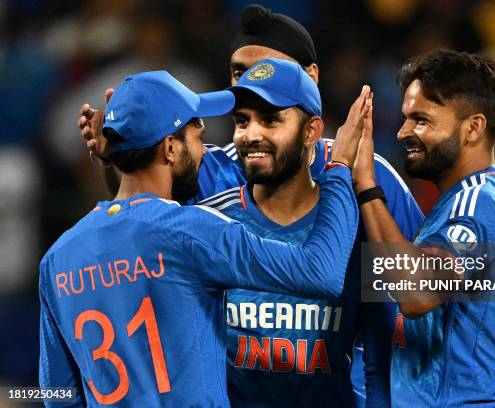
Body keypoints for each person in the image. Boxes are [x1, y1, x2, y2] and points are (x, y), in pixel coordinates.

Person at [79, 5, 430, 407]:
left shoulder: (366, 177)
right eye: (237, 76)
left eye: (270, 110)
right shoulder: (208, 177)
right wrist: (121, 148)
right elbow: (139, 203)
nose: (247, 82)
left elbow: (421, 294)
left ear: (310, 88)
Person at [39, 70, 370, 407]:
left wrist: (124, 146)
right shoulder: (193, 229)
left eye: (269, 119)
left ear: (310, 130)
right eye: (197, 138)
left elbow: (57, 396)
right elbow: (322, 273)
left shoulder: (56, 259)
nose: (205, 150)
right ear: (170, 147)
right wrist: (341, 166)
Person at [343, 49, 495, 407]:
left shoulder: (474, 205)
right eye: (405, 118)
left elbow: (417, 295)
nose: (404, 131)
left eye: (422, 120)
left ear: (473, 128)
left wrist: (366, 186)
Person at [197, 57, 386, 407]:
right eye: (242, 121)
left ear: (311, 131)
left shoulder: (355, 227)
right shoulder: (209, 222)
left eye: (270, 120)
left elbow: (380, 361)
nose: (250, 135)